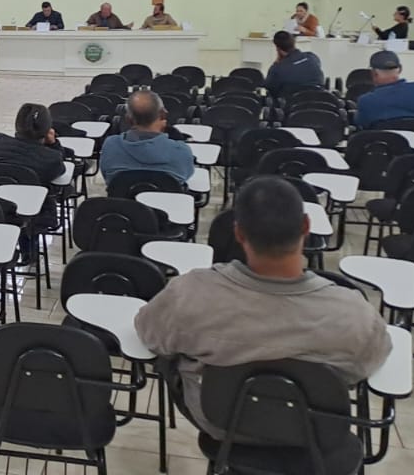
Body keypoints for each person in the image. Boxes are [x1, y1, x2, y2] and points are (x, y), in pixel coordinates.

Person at [134, 176, 392, 440]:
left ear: (238, 233)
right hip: (313, 431)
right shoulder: (355, 314)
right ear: (306, 226)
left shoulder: (190, 292)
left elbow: (149, 333)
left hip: (219, 422)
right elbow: (367, 364)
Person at [0, 103, 66, 231]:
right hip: (30, 218)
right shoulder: (51, 158)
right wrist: (54, 144)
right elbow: (60, 171)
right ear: (47, 129)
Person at [99, 91, 194, 186]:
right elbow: (186, 176)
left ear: (128, 119)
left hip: (121, 195)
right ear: (163, 114)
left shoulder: (110, 146)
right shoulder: (182, 151)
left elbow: (107, 176)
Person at [354, 51, 414, 136]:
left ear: (373, 73)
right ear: (400, 69)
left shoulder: (366, 101)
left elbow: (363, 128)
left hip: (384, 148)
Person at [263, 31, 325, 98]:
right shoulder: (312, 57)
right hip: (321, 101)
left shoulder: (277, 69)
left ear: (277, 48)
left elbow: (270, 89)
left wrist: (277, 63)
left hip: (292, 103)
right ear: (294, 43)